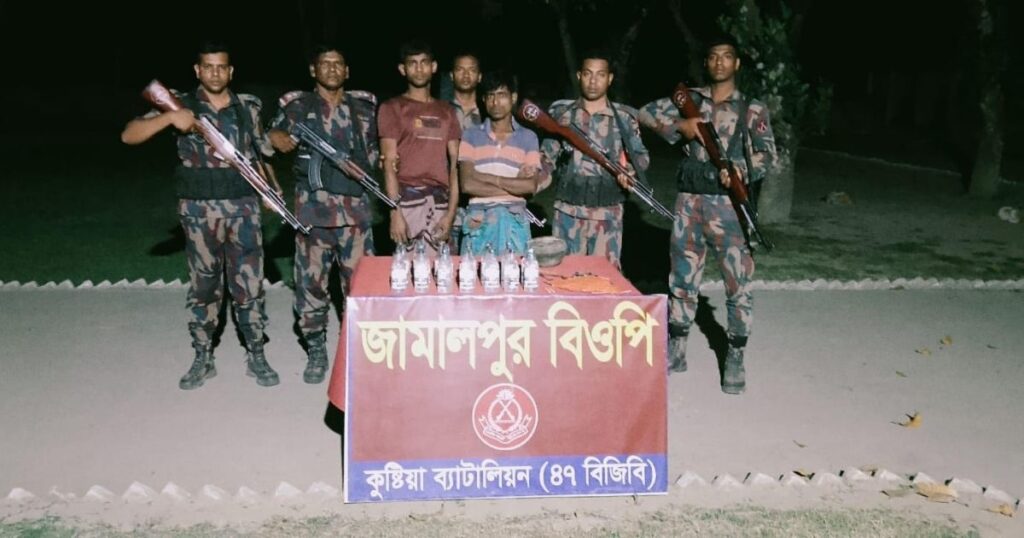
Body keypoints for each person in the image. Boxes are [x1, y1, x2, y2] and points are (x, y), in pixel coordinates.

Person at [121, 40, 279, 389]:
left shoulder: (247, 107)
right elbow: (129, 135)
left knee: (249, 285)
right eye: (208, 67)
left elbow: (259, 153)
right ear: (197, 70)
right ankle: (203, 356)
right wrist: (169, 117)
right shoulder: (182, 103)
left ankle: (256, 352)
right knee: (204, 286)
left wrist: (271, 189)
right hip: (199, 214)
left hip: (243, 211)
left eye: (222, 67)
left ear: (231, 71)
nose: (215, 73)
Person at [638, 33, 777, 394]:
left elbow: (767, 154)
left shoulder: (751, 108)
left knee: (737, 285)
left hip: (729, 208)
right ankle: (677, 346)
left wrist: (741, 170)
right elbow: (645, 113)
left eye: (727, 56)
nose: (719, 62)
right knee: (682, 280)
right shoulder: (691, 99)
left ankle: (735, 356)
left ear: (737, 63)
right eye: (713, 56)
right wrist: (680, 127)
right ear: (706, 62)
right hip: (689, 205)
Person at [266, 45, 379, 384]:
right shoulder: (297, 107)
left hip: (355, 216)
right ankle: (316, 348)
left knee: (359, 287)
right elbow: (268, 141)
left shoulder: (364, 110)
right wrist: (276, 135)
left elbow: (379, 152)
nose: (332, 69)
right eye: (324, 64)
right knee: (311, 285)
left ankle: (356, 348)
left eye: (338, 64)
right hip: (313, 216)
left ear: (347, 71)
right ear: (313, 71)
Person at [540, 49, 649, 269]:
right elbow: (546, 157)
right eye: (588, 74)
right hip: (568, 212)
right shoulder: (562, 114)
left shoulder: (624, 118)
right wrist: (532, 178)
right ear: (579, 76)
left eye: (600, 75)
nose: (593, 81)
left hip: (607, 214)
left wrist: (631, 170)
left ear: (609, 79)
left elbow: (641, 156)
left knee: (605, 278)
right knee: (566, 274)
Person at [378, 40, 461, 254]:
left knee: (443, 270)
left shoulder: (447, 111)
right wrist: (394, 213)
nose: (419, 68)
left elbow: (455, 166)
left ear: (433, 67)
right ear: (402, 69)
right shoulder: (392, 108)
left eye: (424, 62)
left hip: (440, 203)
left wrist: (451, 215)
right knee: (408, 270)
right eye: (412, 63)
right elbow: (389, 164)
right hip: (407, 203)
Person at [457, 70, 550, 255]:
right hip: (478, 222)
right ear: (484, 99)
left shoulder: (528, 137)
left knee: (515, 273)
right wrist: (514, 185)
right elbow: (467, 185)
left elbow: (529, 187)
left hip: (514, 222)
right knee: (474, 273)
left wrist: (486, 177)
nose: (495, 102)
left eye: (501, 95)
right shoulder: (471, 135)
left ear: (513, 97)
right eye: (490, 96)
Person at [448, 52, 483, 131]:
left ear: (479, 77)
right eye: (460, 70)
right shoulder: (442, 109)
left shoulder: (488, 111)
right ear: (451, 75)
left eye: (472, 70)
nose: (466, 75)